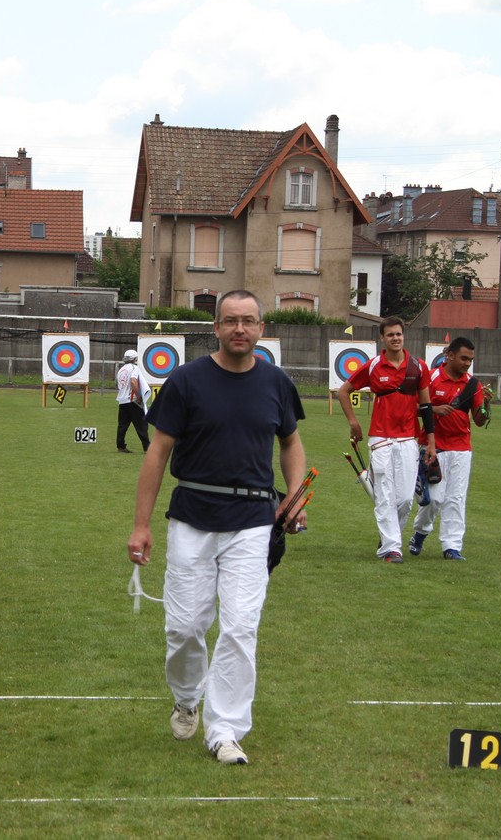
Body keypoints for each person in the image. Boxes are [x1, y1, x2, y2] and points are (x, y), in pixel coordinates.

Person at [128, 290, 307, 766]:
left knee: (240, 628)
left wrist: (293, 496)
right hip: (192, 516)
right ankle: (187, 696)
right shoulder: (186, 380)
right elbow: (157, 452)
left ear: (261, 328)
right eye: (230, 321)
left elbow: (291, 443)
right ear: (216, 327)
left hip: (252, 521)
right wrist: (141, 526)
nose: (239, 330)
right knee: (186, 626)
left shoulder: (276, 382)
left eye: (248, 321)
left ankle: (225, 729)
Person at [338, 317, 436, 564]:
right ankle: (391, 549)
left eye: (399, 334)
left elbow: (425, 405)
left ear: (404, 336)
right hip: (380, 438)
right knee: (384, 494)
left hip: (408, 439)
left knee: (403, 498)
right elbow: (344, 391)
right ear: (383, 338)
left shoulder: (419, 367)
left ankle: (388, 537)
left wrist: (431, 441)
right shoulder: (373, 366)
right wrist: (353, 421)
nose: (395, 338)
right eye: (390, 334)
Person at [407, 337, 492, 562]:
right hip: (433, 447)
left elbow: (480, 420)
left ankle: (452, 546)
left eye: (471, 360)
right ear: (450, 355)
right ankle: (420, 532)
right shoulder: (432, 378)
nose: (467, 363)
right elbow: (411, 407)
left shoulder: (473, 384)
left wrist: (486, 406)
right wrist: (434, 409)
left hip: (462, 449)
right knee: (433, 498)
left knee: (456, 498)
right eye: (464, 358)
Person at [115, 349, 151, 453]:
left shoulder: (121, 369)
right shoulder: (134, 368)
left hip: (122, 401)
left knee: (122, 425)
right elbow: (133, 381)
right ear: (135, 359)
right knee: (141, 425)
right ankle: (147, 448)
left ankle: (120, 446)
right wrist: (138, 396)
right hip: (132, 401)